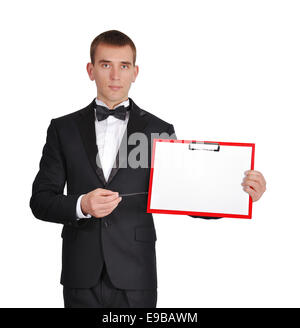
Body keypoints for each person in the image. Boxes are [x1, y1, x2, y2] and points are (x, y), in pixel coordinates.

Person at [29, 30, 266, 308]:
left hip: (136, 274)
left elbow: (186, 195)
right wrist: (82, 204)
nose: (115, 75)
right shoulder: (62, 128)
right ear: (91, 70)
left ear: (135, 72)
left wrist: (239, 193)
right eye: (106, 65)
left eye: (124, 66)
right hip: (80, 274)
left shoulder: (158, 129)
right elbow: (41, 201)